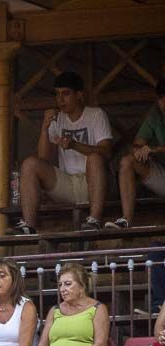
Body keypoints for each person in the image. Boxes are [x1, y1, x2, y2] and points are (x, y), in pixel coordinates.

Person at [13, 71, 113, 235]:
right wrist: (45, 128)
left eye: (66, 94)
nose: (60, 99)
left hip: (94, 183)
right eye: (57, 94)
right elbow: (44, 159)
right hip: (67, 185)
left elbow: (107, 152)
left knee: (95, 158)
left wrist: (74, 145)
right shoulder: (57, 118)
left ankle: (94, 220)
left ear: (79, 95)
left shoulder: (96, 115)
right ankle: (29, 225)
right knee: (30, 164)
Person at [13, 264, 111, 346]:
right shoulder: (55, 310)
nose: (63, 289)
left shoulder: (98, 308)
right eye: (60, 285)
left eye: (68, 284)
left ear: (82, 286)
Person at [112, 79, 165, 229]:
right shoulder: (157, 114)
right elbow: (137, 142)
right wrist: (139, 150)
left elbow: (155, 149)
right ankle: (126, 220)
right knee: (127, 161)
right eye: (160, 98)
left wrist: (156, 149)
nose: (163, 103)